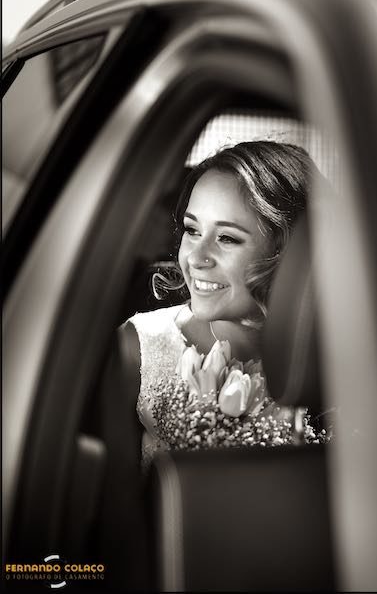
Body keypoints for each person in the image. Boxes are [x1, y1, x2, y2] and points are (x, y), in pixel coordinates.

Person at [115, 140, 327, 470]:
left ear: (287, 253)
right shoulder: (136, 349)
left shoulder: (337, 365)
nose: (196, 258)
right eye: (192, 230)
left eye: (226, 238)